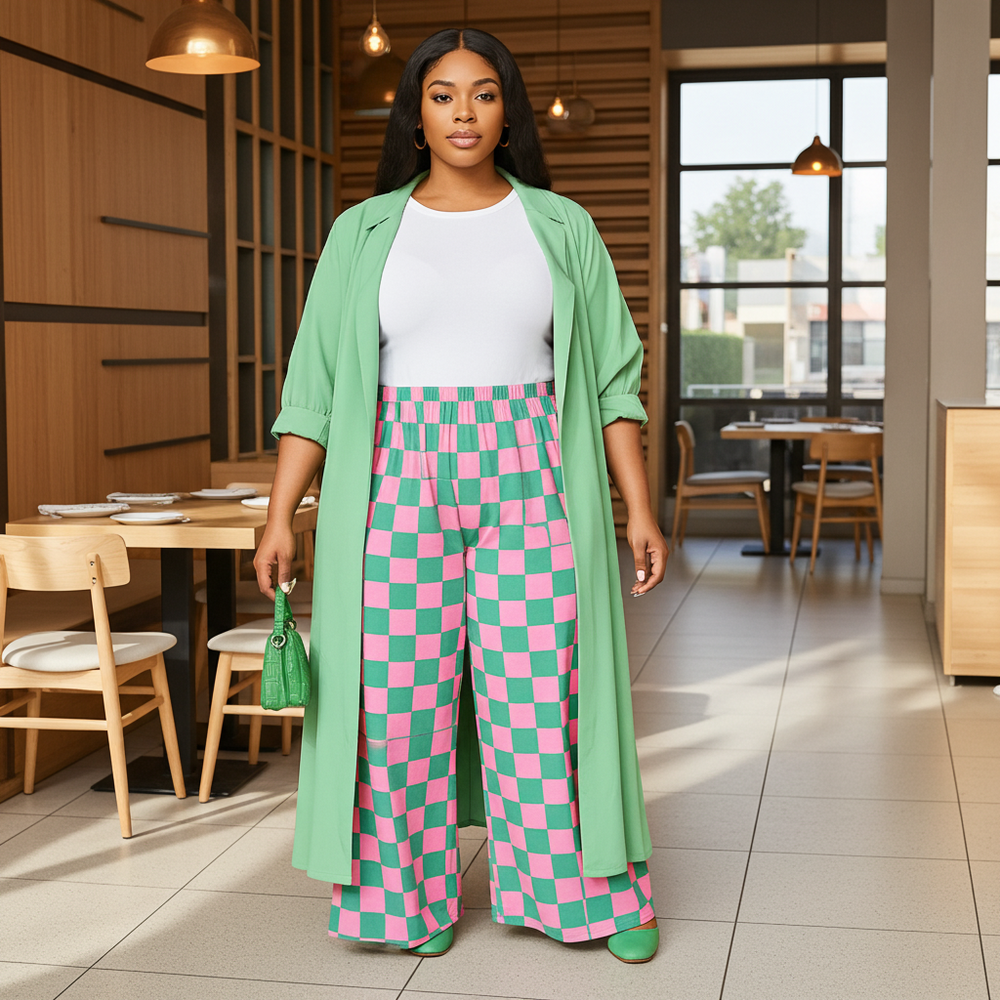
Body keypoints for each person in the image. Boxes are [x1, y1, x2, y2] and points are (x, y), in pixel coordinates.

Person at [254, 27, 668, 965]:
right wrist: (282, 513)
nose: (464, 113)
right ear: (415, 115)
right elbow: (313, 388)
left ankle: (594, 896)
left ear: (509, 111)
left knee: (544, 700)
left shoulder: (561, 226)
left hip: (535, 482)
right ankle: (405, 904)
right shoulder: (362, 233)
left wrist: (637, 506)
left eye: (483, 94)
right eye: (443, 96)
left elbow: (611, 382)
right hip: (397, 487)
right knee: (396, 705)